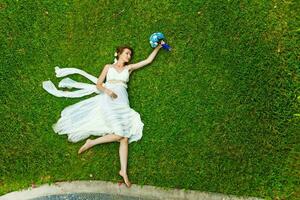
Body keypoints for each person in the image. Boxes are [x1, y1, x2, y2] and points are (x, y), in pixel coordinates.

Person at [42, 41, 164, 188]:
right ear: (118, 54)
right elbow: (99, 84)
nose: (129, 56)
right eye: (126, 53)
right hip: (109, 102)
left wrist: (158, 47)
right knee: (120, 135)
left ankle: (123, 171)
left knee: (124, 138)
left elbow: (147, 61)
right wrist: (108, 91)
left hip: (123, 104)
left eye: (130, 54)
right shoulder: (108, 67)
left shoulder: (129, 69)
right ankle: (91, 142)